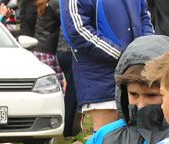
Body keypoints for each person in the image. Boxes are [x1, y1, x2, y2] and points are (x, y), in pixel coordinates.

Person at [59, 0, 154, 131]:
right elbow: (77, 30)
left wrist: (145, 51)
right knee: (107, 137)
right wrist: (122, 55)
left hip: (134, 71)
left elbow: (144, 16)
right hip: (100, 75)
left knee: (140, 133)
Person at [32, 0, 65, 86]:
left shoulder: (43, 3)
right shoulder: (54, 4)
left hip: (39, 49)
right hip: (48, 50)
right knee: (53, 85)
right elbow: (67, 19)